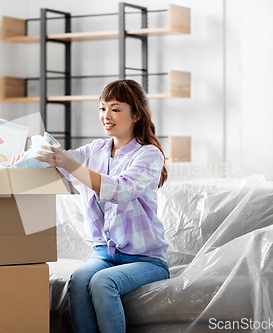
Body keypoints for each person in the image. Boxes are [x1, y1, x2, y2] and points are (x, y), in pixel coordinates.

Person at [14, 79, 169, 332]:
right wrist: (30, 157)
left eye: (116, 109)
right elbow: (58, 161)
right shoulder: (95, 149)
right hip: (104, 254)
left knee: (102, 283)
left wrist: (66, 161)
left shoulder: (149, 154)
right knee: (78, 281)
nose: (106, 116)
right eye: (102, 108)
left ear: (136, 114)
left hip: (146, 259)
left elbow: (119, 189)